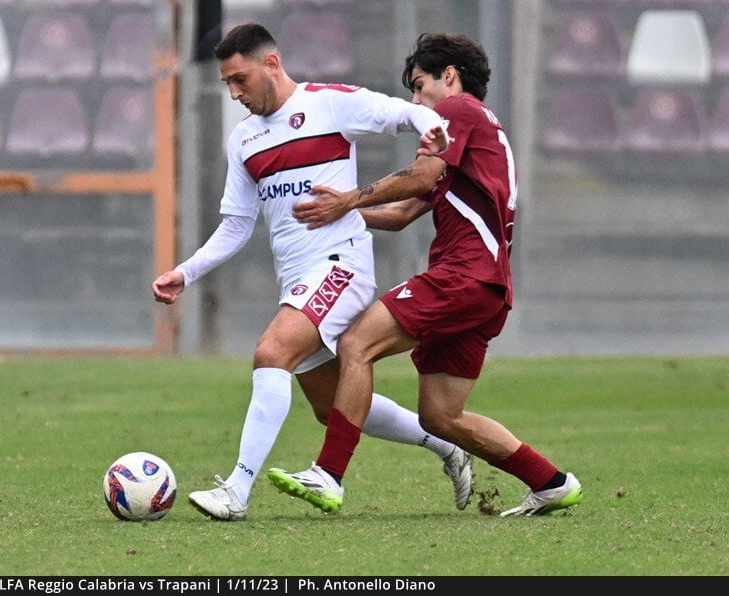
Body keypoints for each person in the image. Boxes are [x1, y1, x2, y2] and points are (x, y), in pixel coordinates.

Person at [152, 24, 473, 522]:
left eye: (240, 79)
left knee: (271, 352)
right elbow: (236, 225)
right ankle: (446, 445)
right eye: (227, 83)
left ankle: (237, 491)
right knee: (330, 406)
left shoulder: (329, 104)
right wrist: (186, 272)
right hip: (297, 279)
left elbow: (401, 112)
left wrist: (430, 124)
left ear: (271, 64)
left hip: (341, 265)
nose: (234, 93)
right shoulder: (245, 139)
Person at [268, 33, 583, 517]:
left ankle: (328, 475)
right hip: (488, 287)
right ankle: (552, 482)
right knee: (441, 415)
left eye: (419, 86)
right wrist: (334, 213)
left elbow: (417, 176)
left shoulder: (457, 112)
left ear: (449, 76)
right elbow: (400, 213)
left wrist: (347, 198)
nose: (416, 102)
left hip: (462, 275)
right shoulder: (479, 136)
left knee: (356, 344)